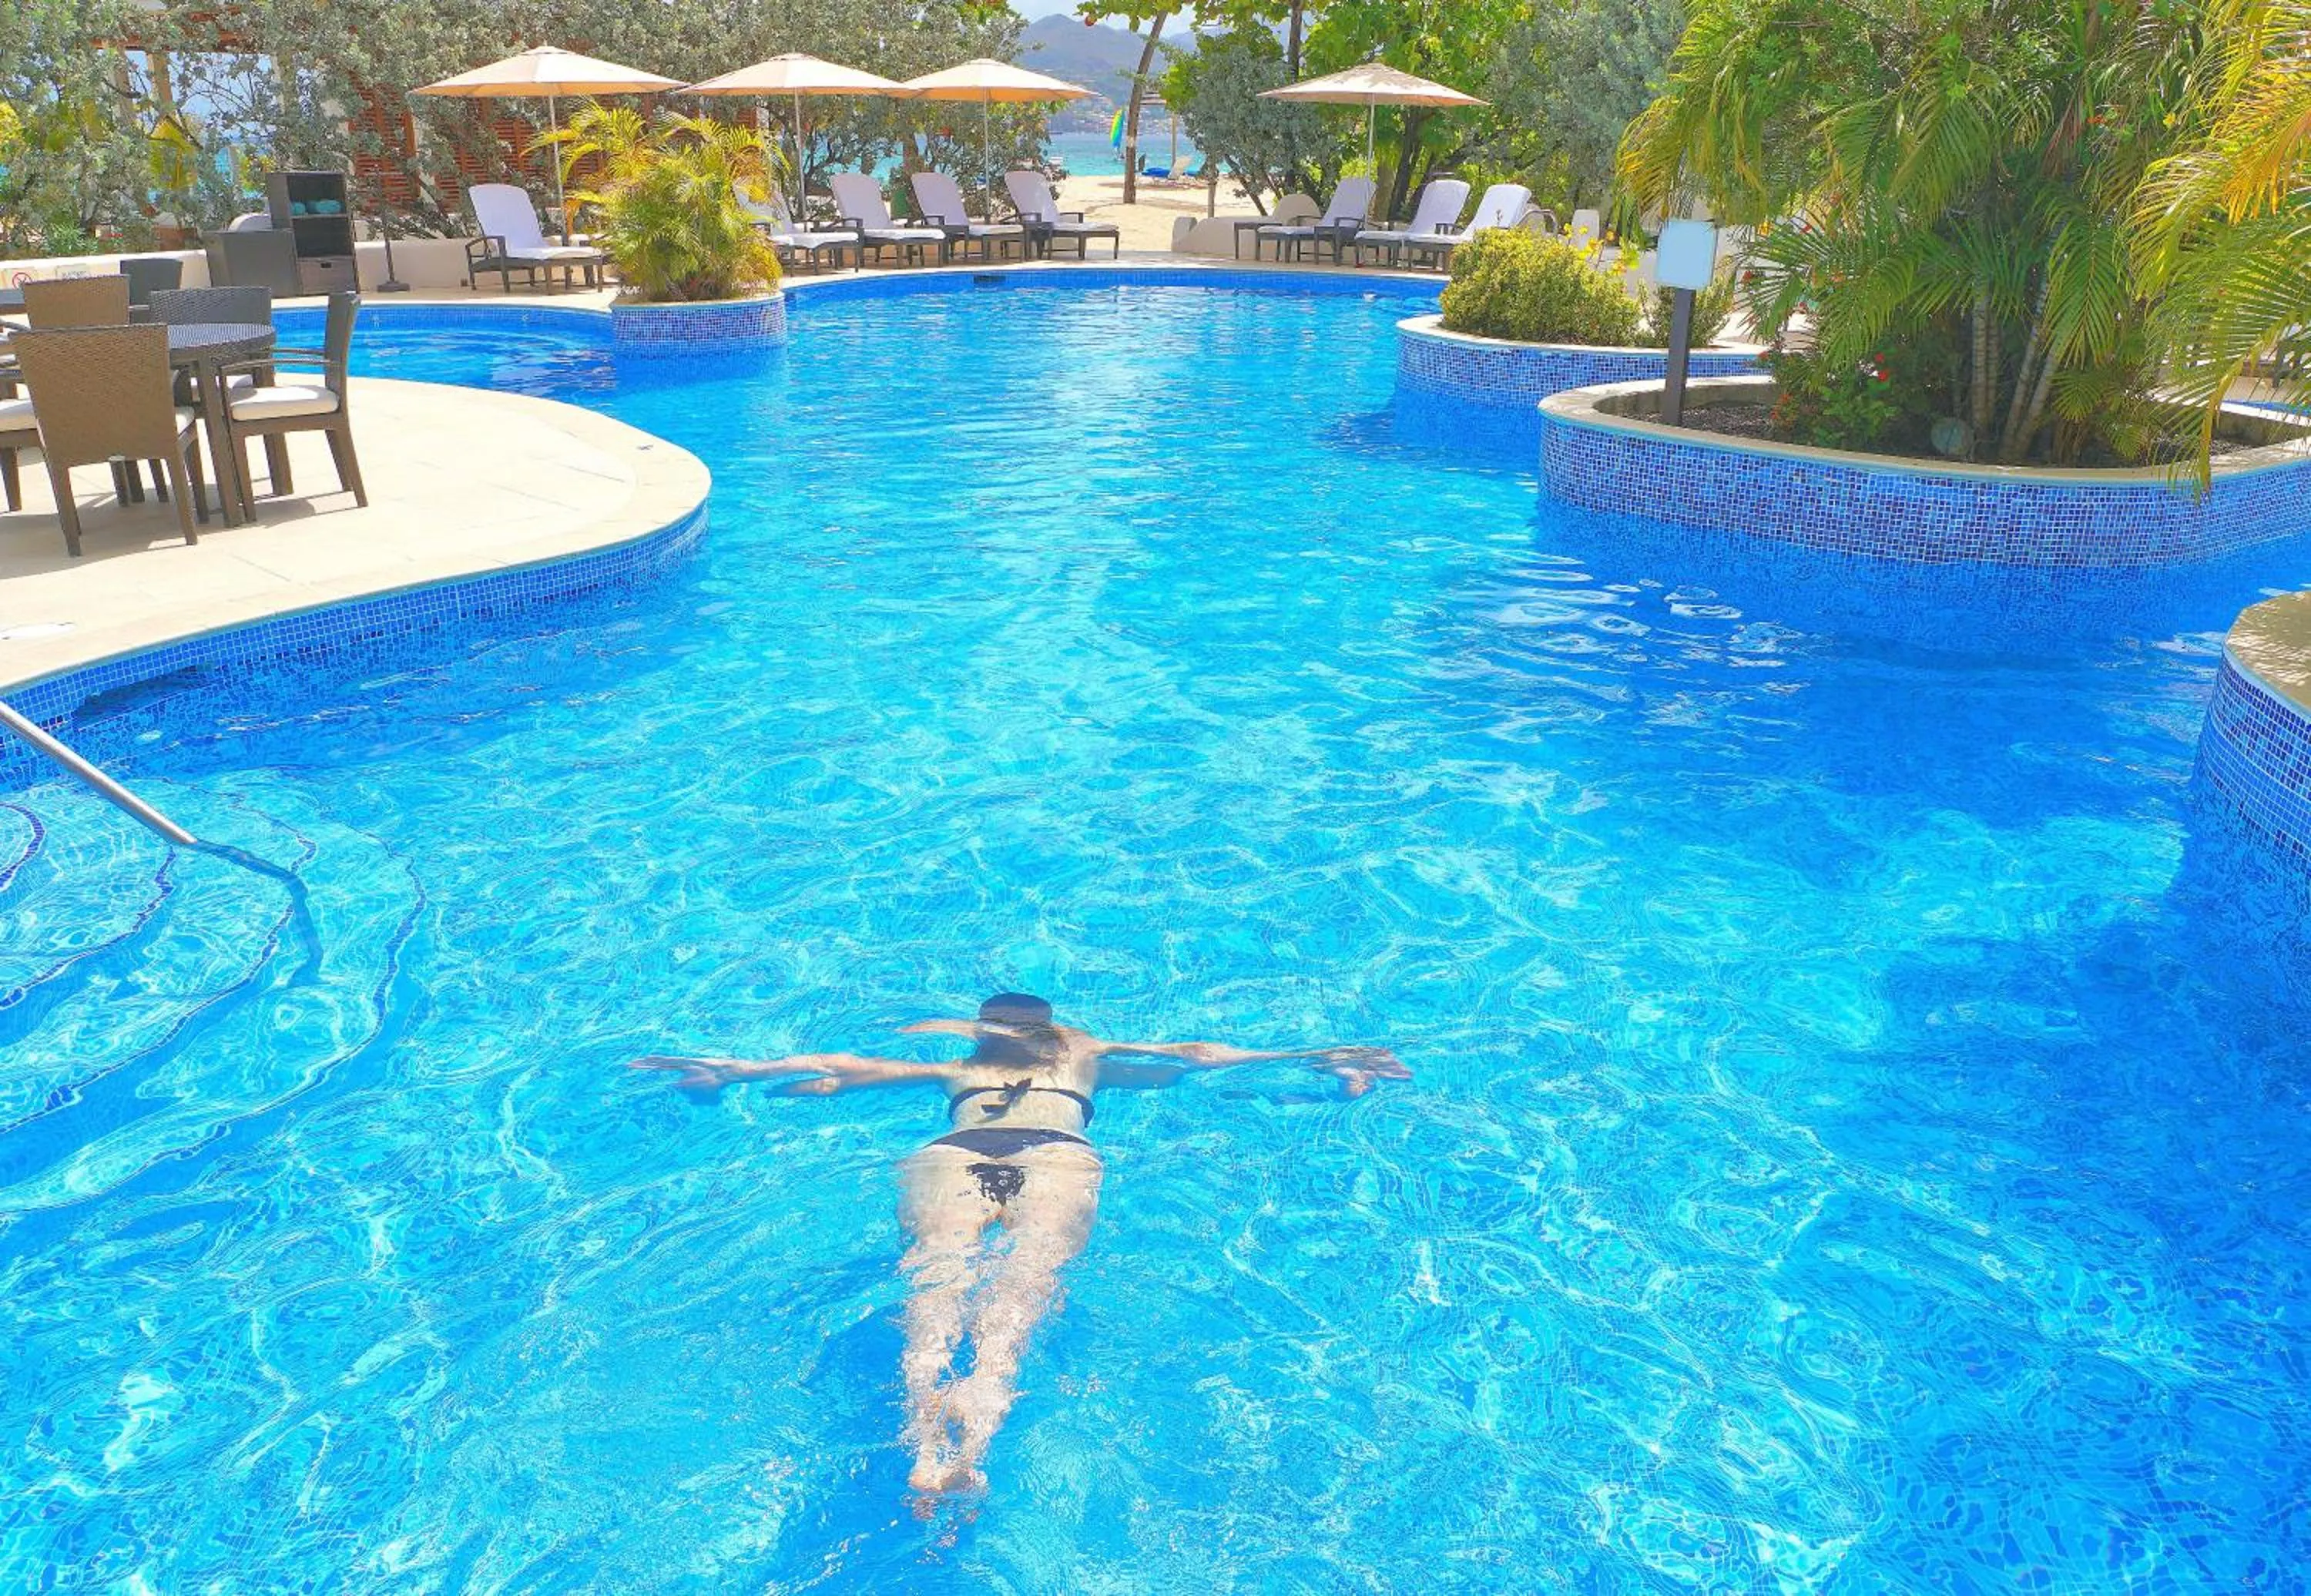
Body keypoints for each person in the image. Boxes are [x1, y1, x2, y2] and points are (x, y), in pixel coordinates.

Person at [632, 994, 1407, 1497]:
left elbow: (849, 1068)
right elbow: (1196, 1054)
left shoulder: (959, 1064)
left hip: (954, 1151)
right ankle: (978, 1432)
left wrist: (736, 1070)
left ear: (983, 1028)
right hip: (1053, 1153)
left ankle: (924, 1448)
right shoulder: (1087, 1052)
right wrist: (1324, 1056)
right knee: (1019, 1295)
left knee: (933, 1291)